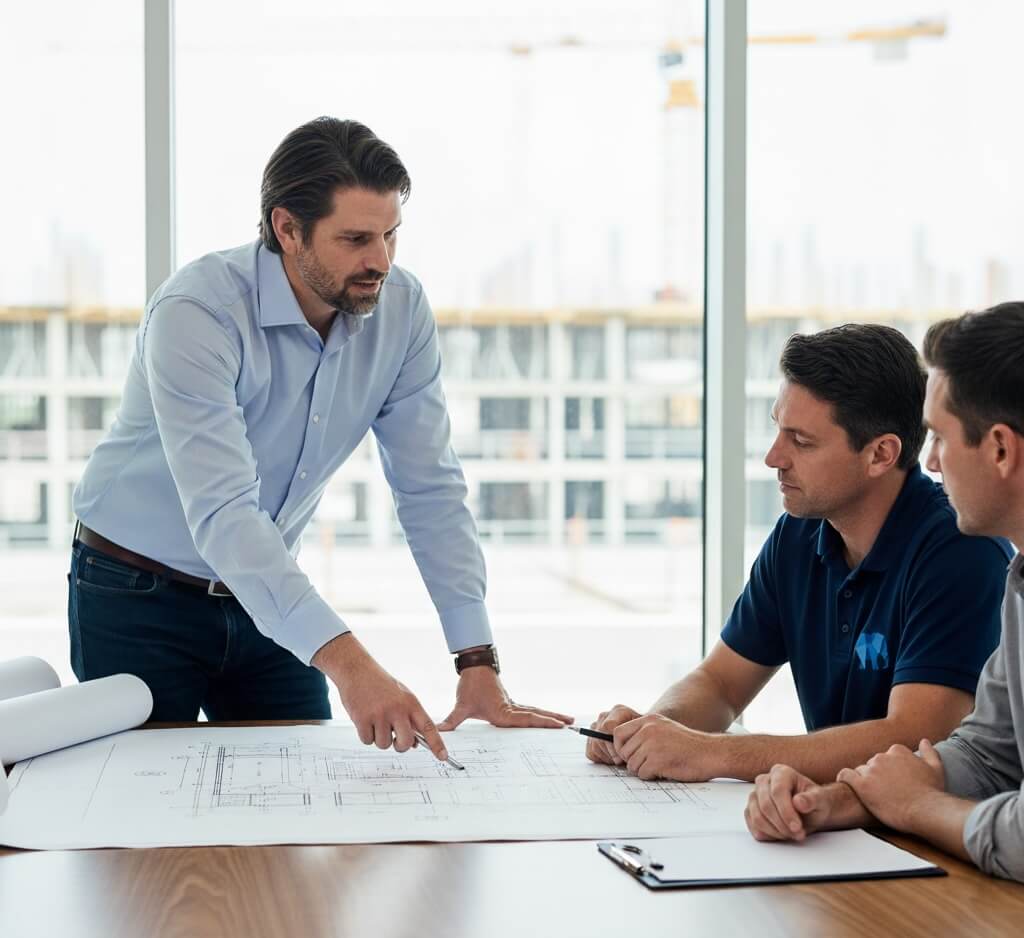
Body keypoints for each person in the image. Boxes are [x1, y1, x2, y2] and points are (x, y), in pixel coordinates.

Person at [69, 117, 571, 759]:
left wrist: (476, 660)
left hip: (268, 596)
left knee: (298, 802)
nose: (380, 261)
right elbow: (225, 514)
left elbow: (430, 489)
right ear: (286, 229)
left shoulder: (402, 310)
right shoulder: (198, 314)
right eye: (356, 239)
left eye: (391, 235)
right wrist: (356, 667)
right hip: (134, 592)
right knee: (144, 820)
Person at [587, 324, 1012, 782]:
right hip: (835, 822)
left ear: (880, 455)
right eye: (777, 430)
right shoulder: (799, 533)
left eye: (801, 441)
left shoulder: (962, 547)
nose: (773, 457)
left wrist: (715, 754)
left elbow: (915, 736)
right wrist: (650, 731)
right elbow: (721, 683)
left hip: (920, 834)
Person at [745, 302, 1024, 883]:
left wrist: (918, 807)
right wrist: (842, 798)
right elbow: (987, 752)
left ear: (1000, 449)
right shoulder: (1021, 584)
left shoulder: (962, 551)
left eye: (942, 438)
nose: (932, 462)